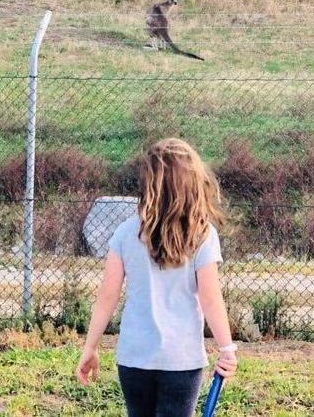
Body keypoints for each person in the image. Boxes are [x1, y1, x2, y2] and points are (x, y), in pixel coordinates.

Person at [76, 137, 238, 417]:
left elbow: (107, 297)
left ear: (149, 185)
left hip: (134, 358)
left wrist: (90, 347)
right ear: (193, 184)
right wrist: (227, 348)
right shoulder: (202, 235)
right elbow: (211, 299)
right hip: (182, 361)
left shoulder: (126, 233)